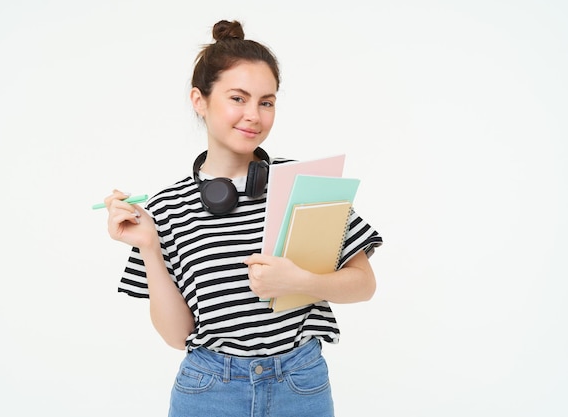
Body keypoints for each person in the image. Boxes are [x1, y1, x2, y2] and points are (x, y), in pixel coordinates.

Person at [103, 19, 383, 417]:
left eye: (266, 102)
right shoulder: (166, 208)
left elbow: (364, 284)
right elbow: (177, 335)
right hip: (208, 389)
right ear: (199, 100)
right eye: (238, 98)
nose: (254, 115)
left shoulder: (305, 183)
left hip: (300, 383)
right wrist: (148, 246)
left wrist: (299, 281)